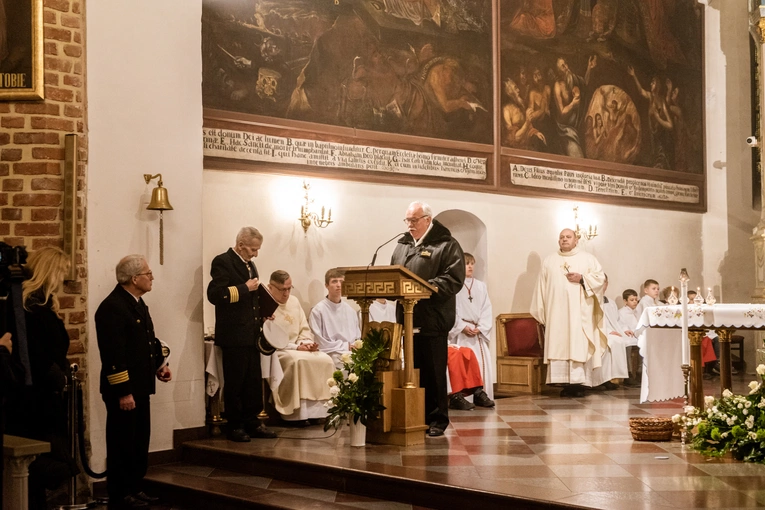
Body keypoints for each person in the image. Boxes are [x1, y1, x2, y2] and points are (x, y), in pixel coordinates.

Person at [95, 255, 171, 509]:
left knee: (138, 441)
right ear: (134, 278)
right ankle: (120, 492)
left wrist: (160, 365)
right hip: (124, 391)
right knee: (122, 442)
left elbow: (147, 341)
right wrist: (123, 392)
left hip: (140, 386)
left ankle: (134, 487)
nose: (152, 278)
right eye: (148, 274)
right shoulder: (113, 307)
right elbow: (114, 356)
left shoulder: (136, 303)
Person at [4, 247, 77, 510]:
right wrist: (54, 373)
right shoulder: (27, 306)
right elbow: (31, 352)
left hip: (45, 394)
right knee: (40, 461)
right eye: (60, 272)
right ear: (50, 271)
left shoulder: (40, 305)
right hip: (34, 398)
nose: (62, 278)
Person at [390, 201, 465, 437]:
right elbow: (394, 273)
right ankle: (416, 416)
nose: (410, 225)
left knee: (433, 372)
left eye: (414, 220)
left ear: (427, 220)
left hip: (433, 319)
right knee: (413, 372)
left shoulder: (446, 244)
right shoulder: (403, 245)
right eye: (407, 220)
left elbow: (453, 278)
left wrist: (424, 288)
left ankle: (437, 419)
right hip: (408, 318)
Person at [207, 227, 276, 442]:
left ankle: (253, 422)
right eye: (253, 249)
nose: (256, 254)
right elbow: (215, 295)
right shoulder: (223, 261)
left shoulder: (250, 264)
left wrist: (264, 313)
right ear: (240, 245)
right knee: (236, 381)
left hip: (251, 333)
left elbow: (253, 298)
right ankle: (235, 425)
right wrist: (244, 288)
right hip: (234, 334)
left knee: (252, 381)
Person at [531, 229, 608, 398]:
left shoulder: (588, 258)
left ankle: (579, 383)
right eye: (561, 237)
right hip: (556, 313)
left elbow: (600, 278)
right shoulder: (549, 260)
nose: (564, 239)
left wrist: (582, 279)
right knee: (561, 343)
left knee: (577, 344)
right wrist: (542, 311)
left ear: (576, 240)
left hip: (579, 314)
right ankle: (564, 382)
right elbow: (541, 288)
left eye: (568, 237)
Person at [265, 270, 334, 421]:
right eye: (283, 289)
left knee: (325, 359)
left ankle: (320, 412)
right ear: (270, 287)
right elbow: (270, 337)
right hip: (279, 350)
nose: (286, 293)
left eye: (290, 288)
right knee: (297, 362)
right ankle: (297, 414)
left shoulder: (294, 302)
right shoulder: (265, 304)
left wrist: (307, 344)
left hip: (298, 347)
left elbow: (304, 328)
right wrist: (296, 347)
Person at [447, 252, 494, 408]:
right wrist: (461, 326)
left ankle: (479, 394)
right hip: (461, 333)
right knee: (459, 364)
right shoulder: (454, 285)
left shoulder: (480, 286)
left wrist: (480, 328)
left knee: (479, 364)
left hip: (476, 332)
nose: (470, 266)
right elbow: (451, 309)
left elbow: (487, 308)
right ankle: (460, 396)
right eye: (466, 263)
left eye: (472, 263)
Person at [309, 268, 361, 369]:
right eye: (334, 281)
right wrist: (346, 346)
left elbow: (357, 337)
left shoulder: (350, 311)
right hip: (331, 353)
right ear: (326, 286)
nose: (338, 285)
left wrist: (354, 346)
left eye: (341, 281)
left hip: (351, 352)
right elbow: (319, 341)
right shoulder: (318, 311)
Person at [590, 275, 630, 390]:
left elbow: (618, 320)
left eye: (604, 283)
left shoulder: (611, 302)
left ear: (607, 284)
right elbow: (592, 322)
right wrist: (608, 331)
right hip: (598, 333)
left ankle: (609, 378)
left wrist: (625, 328)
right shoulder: (591, 300)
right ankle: (597, 380)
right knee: (609, 343)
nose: (602, 285)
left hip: (613, 332)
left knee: (621, 341)